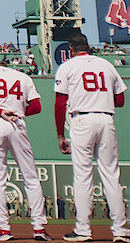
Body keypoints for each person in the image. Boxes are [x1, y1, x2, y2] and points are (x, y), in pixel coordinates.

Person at [54, 33, 128, 243]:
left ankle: (83, 229)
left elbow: (60, 103)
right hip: (106, 119)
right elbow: (120, 100)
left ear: (70, 49)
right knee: (111, 176)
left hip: (82, 120)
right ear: (88, 46)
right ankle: (120, 231)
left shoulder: (67, 67)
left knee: (83, 176)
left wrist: (60, 134)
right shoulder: (107, 65)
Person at [0, 58, 48, 241]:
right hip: (18, 123)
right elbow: (36, 107)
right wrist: (18, 111)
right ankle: (39, 228)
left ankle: (2, 228)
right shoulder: (22, 76)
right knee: (31, 177)